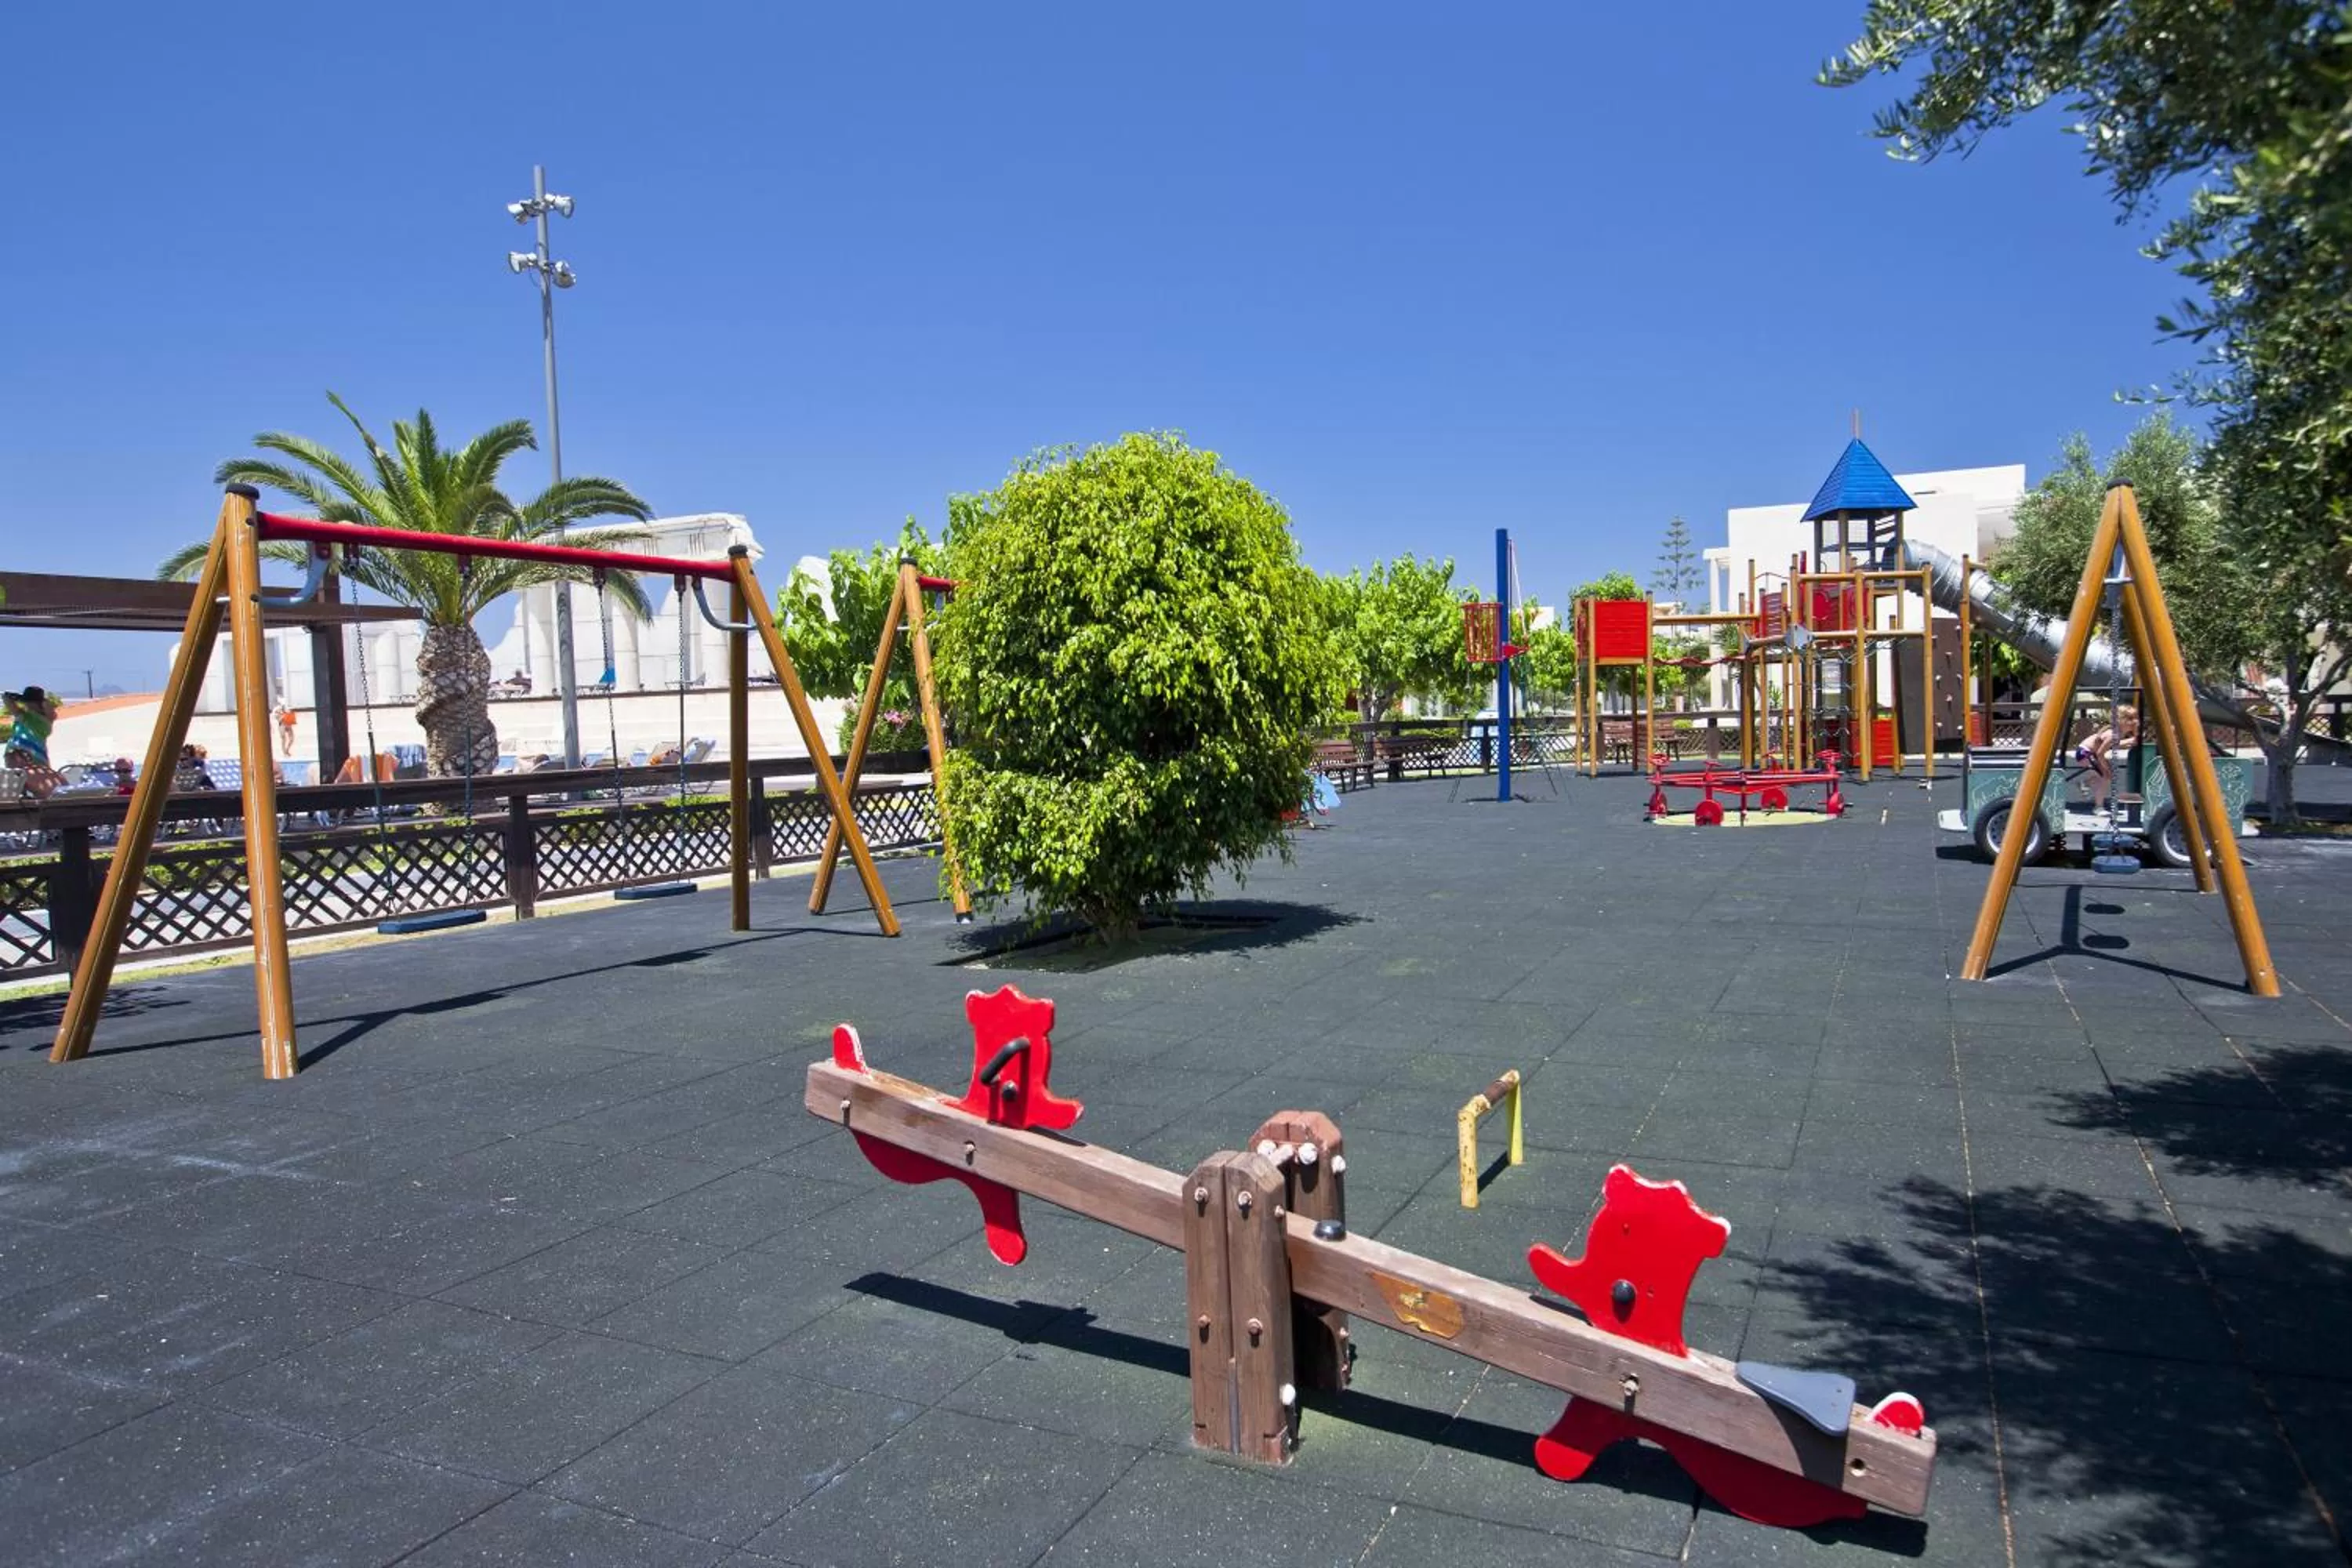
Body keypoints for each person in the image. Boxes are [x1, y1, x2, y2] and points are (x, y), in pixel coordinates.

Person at [2, 686, 64, 799]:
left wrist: (15, 697)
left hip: (29, 758)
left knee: (30, 787)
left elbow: (8, 702)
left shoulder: (33, 718)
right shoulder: (39, 718)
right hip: (29, 756)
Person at [2074, 705, 2138, 812]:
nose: (2135, 722)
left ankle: (2085, 783)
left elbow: (2113, 745)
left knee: (2107, 775)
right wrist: (2105, 768)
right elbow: (2100, 753)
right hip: (2085, 753)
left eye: (2136, 718)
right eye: (2130, 719)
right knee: (2105, 777)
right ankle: (2098, 807)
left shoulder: (2118, 733)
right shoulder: (2113, 734)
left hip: (2091, 753)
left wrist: (2131, 739)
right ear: (2121, 721)